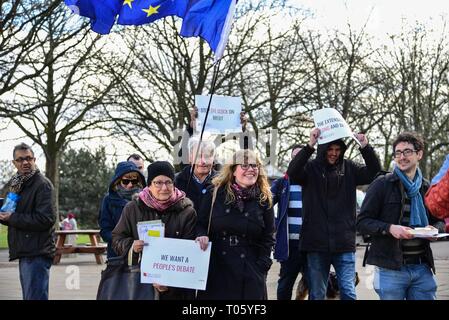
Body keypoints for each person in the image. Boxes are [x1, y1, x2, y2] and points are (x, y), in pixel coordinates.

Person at [287, 128, 381, 300]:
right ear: (323, 150)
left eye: (338, 150)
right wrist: (309, 146)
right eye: (330, 150)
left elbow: (374, 172)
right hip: (316, 245)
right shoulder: (310, 169)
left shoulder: (350, 168)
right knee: (317, 294)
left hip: (343, 243)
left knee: (348, 291)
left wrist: (365, 146)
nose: (334, 154)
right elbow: (292, 172)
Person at [357, 132, 446, 300]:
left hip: (422, 267)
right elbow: (362, 222)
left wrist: (436, 229)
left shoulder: (427, 187)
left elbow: (439, 220)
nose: (401, 157)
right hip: (390, 270)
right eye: (398, 153)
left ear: (419, 154)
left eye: (407, 152)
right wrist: (389, 228)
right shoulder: (382, 184)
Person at [196, 149, 275, 300]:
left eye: (254, 166)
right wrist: (201, 235)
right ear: (233, 170)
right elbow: (200, 223)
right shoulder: (215, 193)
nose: (250, 169)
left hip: (251, 269)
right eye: (244, 166)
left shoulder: (264, 198)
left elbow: (269, 236)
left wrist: (262, 265)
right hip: (218, 267)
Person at [112, 161, 197, 300]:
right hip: (140, 285)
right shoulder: (133, 208)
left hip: (177, 290)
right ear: (149, 185)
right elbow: (117, 239)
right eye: (158, 182)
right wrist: (132, 246)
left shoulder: (187, 212)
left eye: (168, 182)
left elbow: (189, 253)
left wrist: (170, 282)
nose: (164, 187)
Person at [0, 143, 55, 300]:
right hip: (26, 251)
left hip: (37, 252)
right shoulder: (17, 185)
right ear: (14, 163)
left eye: (28, 158)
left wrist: (12, 217)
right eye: (20, 159)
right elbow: (14, 215)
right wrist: (5, 217)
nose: (25, 162)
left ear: (34, 160)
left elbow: (46, 219)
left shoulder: (43, 185)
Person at [271, 145, 307, 300]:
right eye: (295, 157)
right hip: (290, 244)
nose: (298, 160)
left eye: (301, 157)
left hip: (312, 243)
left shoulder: (315, 182)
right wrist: (276, 223)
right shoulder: (282, 183)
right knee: (286, 283)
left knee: (316, 285)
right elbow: (264, 206)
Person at [99, 161, 145, 259]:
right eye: (125, 181)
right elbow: (105, 231)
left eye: (134, 181)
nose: (130, 185)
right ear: (118, 180)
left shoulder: (146, 198)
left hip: (143, 252)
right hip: (117, 254)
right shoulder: (108, 200)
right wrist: (126, 243)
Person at [175, 137, 218, 213]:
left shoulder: (223, 182)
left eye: (207, 156)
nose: (203, 161)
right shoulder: (176, 182)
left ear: (214, 158)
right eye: (198, 156)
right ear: (190, 158)